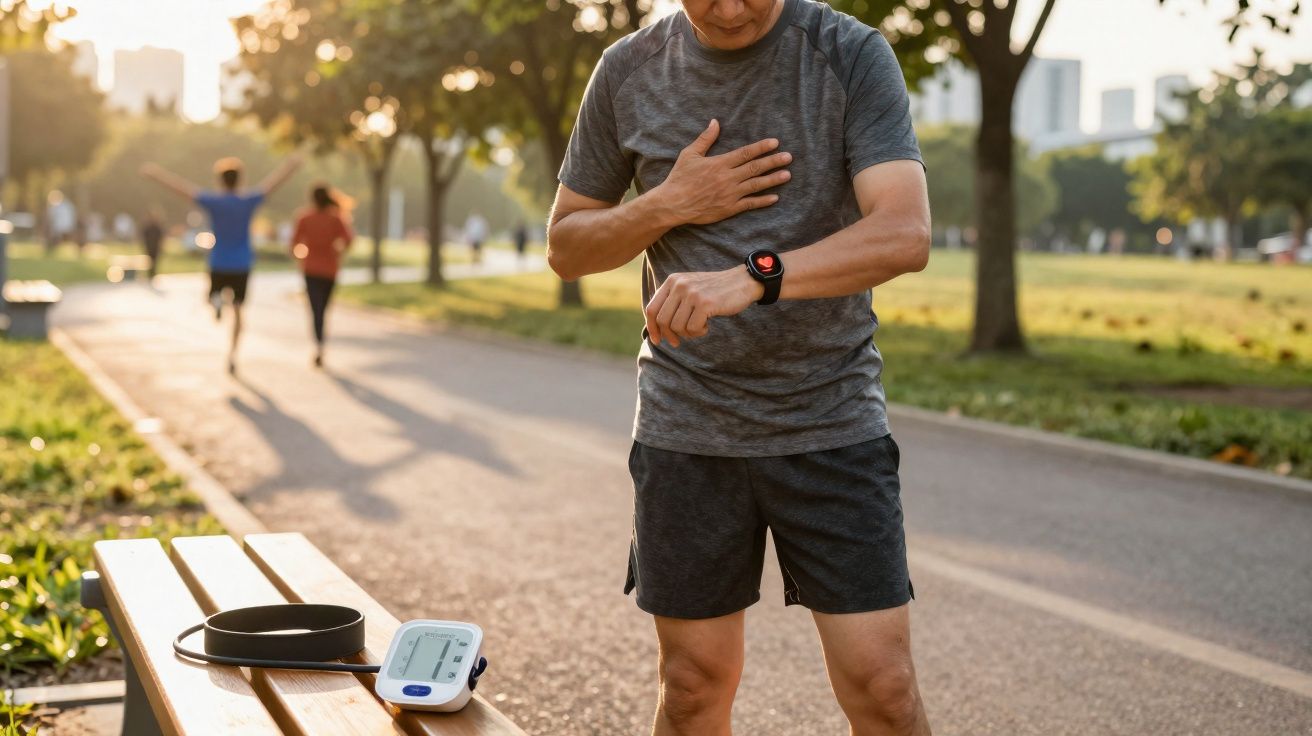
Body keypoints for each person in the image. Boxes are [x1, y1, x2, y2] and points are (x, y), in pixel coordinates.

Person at [547, 0, 933, 734]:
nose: (729, 10)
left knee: (882, 685)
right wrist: (668, 205)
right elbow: (567, 248)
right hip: (686, 425)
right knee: (692, 686)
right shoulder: (628, 69)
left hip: (829, 418)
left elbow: (904, 233)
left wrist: (755, 275)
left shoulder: (849, 54)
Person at [140, 154, 302, 374]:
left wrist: (157, 174)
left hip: (219, 262)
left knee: (212, 297)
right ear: (241, 179)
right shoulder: (248, 201)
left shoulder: (214, 201)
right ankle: (233, 354)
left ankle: (216, 301)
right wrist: (290, 166)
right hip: (242, 263)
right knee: (238, 311)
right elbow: (272, 184)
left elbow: (182, 189)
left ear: (219, 180)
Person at [290, 184, 354, 368]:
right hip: (330, 269)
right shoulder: (336, 218)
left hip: (311, 269)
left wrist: (300, 256)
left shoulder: (305, 217)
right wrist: (337, 251)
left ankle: (319, 345)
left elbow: (294, 243)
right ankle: (320, 345)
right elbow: (348, 240)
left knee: (315, 309)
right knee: (323, 309)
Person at [140, 209, 164, 282]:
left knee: (155, 262)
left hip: (156, 247)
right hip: (149, 247)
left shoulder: (158, 227)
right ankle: (150, 274)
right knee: (149, 262)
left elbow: (161, 237)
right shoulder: (147, 227)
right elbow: (143, 237)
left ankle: (153, 274)